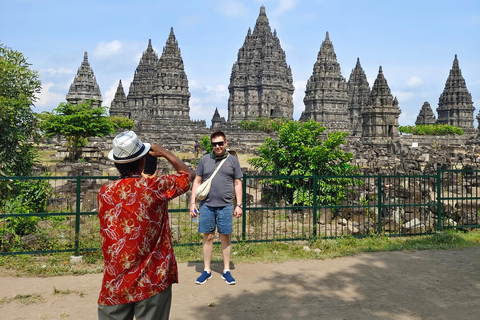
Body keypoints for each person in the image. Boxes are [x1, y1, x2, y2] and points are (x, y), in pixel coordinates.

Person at [97, 131, 193, 320]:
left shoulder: (104, 192)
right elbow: (188, 176)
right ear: (142, 162)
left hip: (115, 280)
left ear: (116, 164)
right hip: (152, 277)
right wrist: (165, 152)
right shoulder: (154, 188)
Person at [190, 131, 243, 285]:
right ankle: (207, 270)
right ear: (211, 144)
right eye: (214, 144)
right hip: (206, 204)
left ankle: (226, 269)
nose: (218, 146)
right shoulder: (204, 159)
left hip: (226, 205)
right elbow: (197, 181)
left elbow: (237, 183)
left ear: (226, 143)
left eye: (220, 143)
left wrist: (238, 204)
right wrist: (193, 203)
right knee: (208, 237)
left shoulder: (233, 160)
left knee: (225, 236)